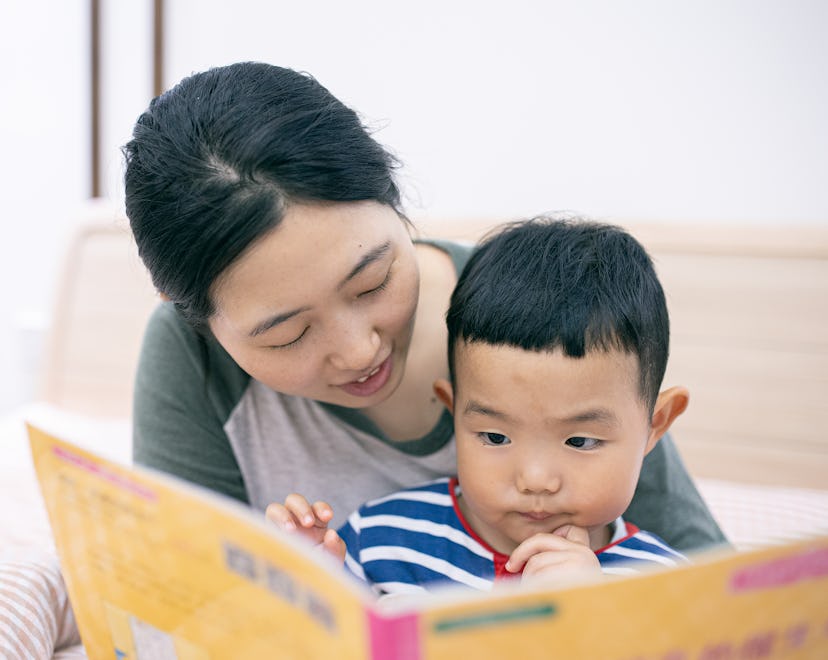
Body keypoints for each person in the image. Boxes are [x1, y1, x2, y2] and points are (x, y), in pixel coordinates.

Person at [124, 61, 724, 552]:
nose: (361, 350)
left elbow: (709, 584)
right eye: (288, 334)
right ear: (191, 313)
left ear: (394, 200)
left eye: (372, 281)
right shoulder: (190, 360)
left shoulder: (529, 316)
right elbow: (183, 600)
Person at [271, 217, 691, 595]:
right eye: (495, 436)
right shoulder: (384, 538)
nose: (535, 480)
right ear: (454, 414)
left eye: (580, 440)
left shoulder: (666, 586)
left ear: (655, 425)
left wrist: (592, 620)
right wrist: (313, 576)